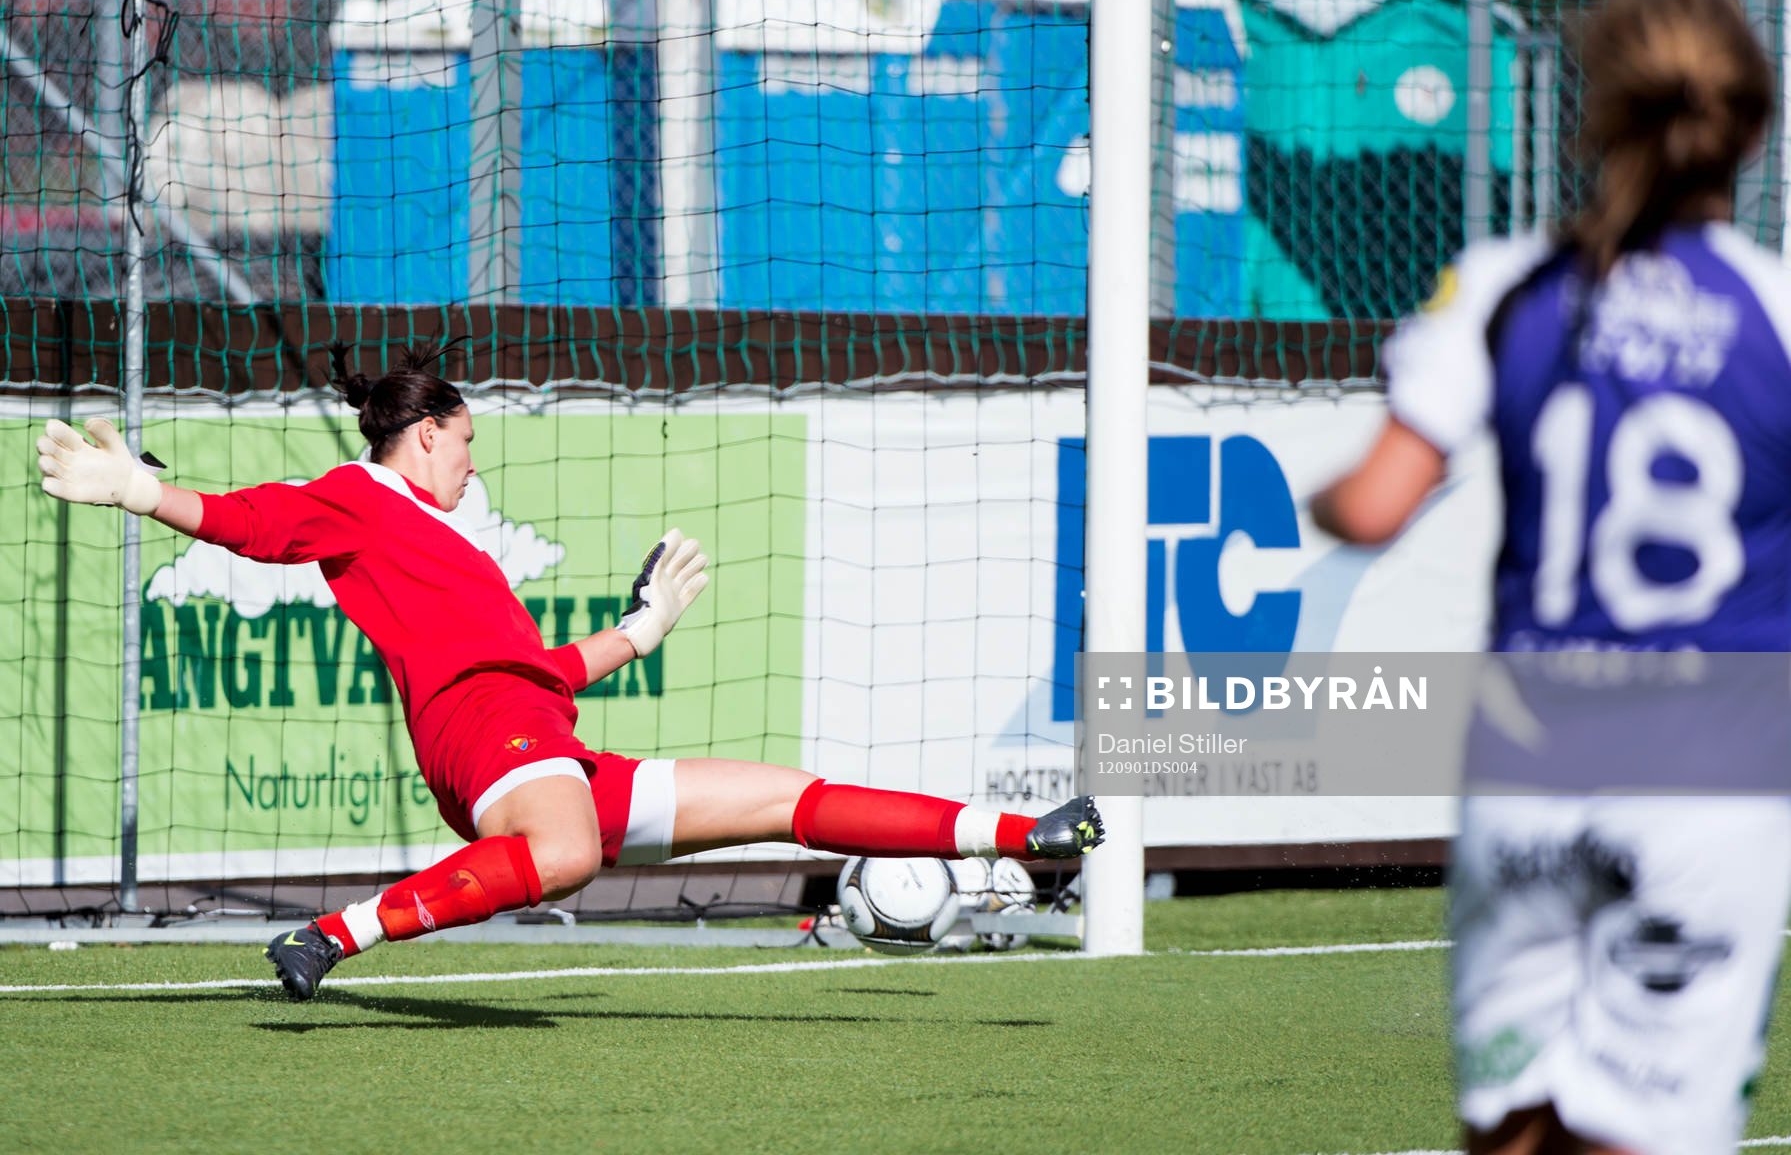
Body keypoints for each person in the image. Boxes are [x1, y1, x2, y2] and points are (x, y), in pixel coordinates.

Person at [34, 340, 1105, 1001]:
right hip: (481, 735)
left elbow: (539, 670)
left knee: (788, 798)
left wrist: (639, 630)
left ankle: (1027, 835)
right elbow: (249, 523)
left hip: (539, 738)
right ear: (424, 435)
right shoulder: (360, 496)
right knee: (569, 853)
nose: (472, 464)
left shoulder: (455, 553)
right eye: (465, 443)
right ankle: (334, 932)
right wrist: (139, 491)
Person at [1313, 0, 1791, 1155]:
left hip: (1530, 765)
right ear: (1753, 128)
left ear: (1595, 112)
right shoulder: (1776, 309)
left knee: (1513, 1133)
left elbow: (1373, 506)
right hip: (1712, 776)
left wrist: (1315, 493)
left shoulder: (1508, 283)